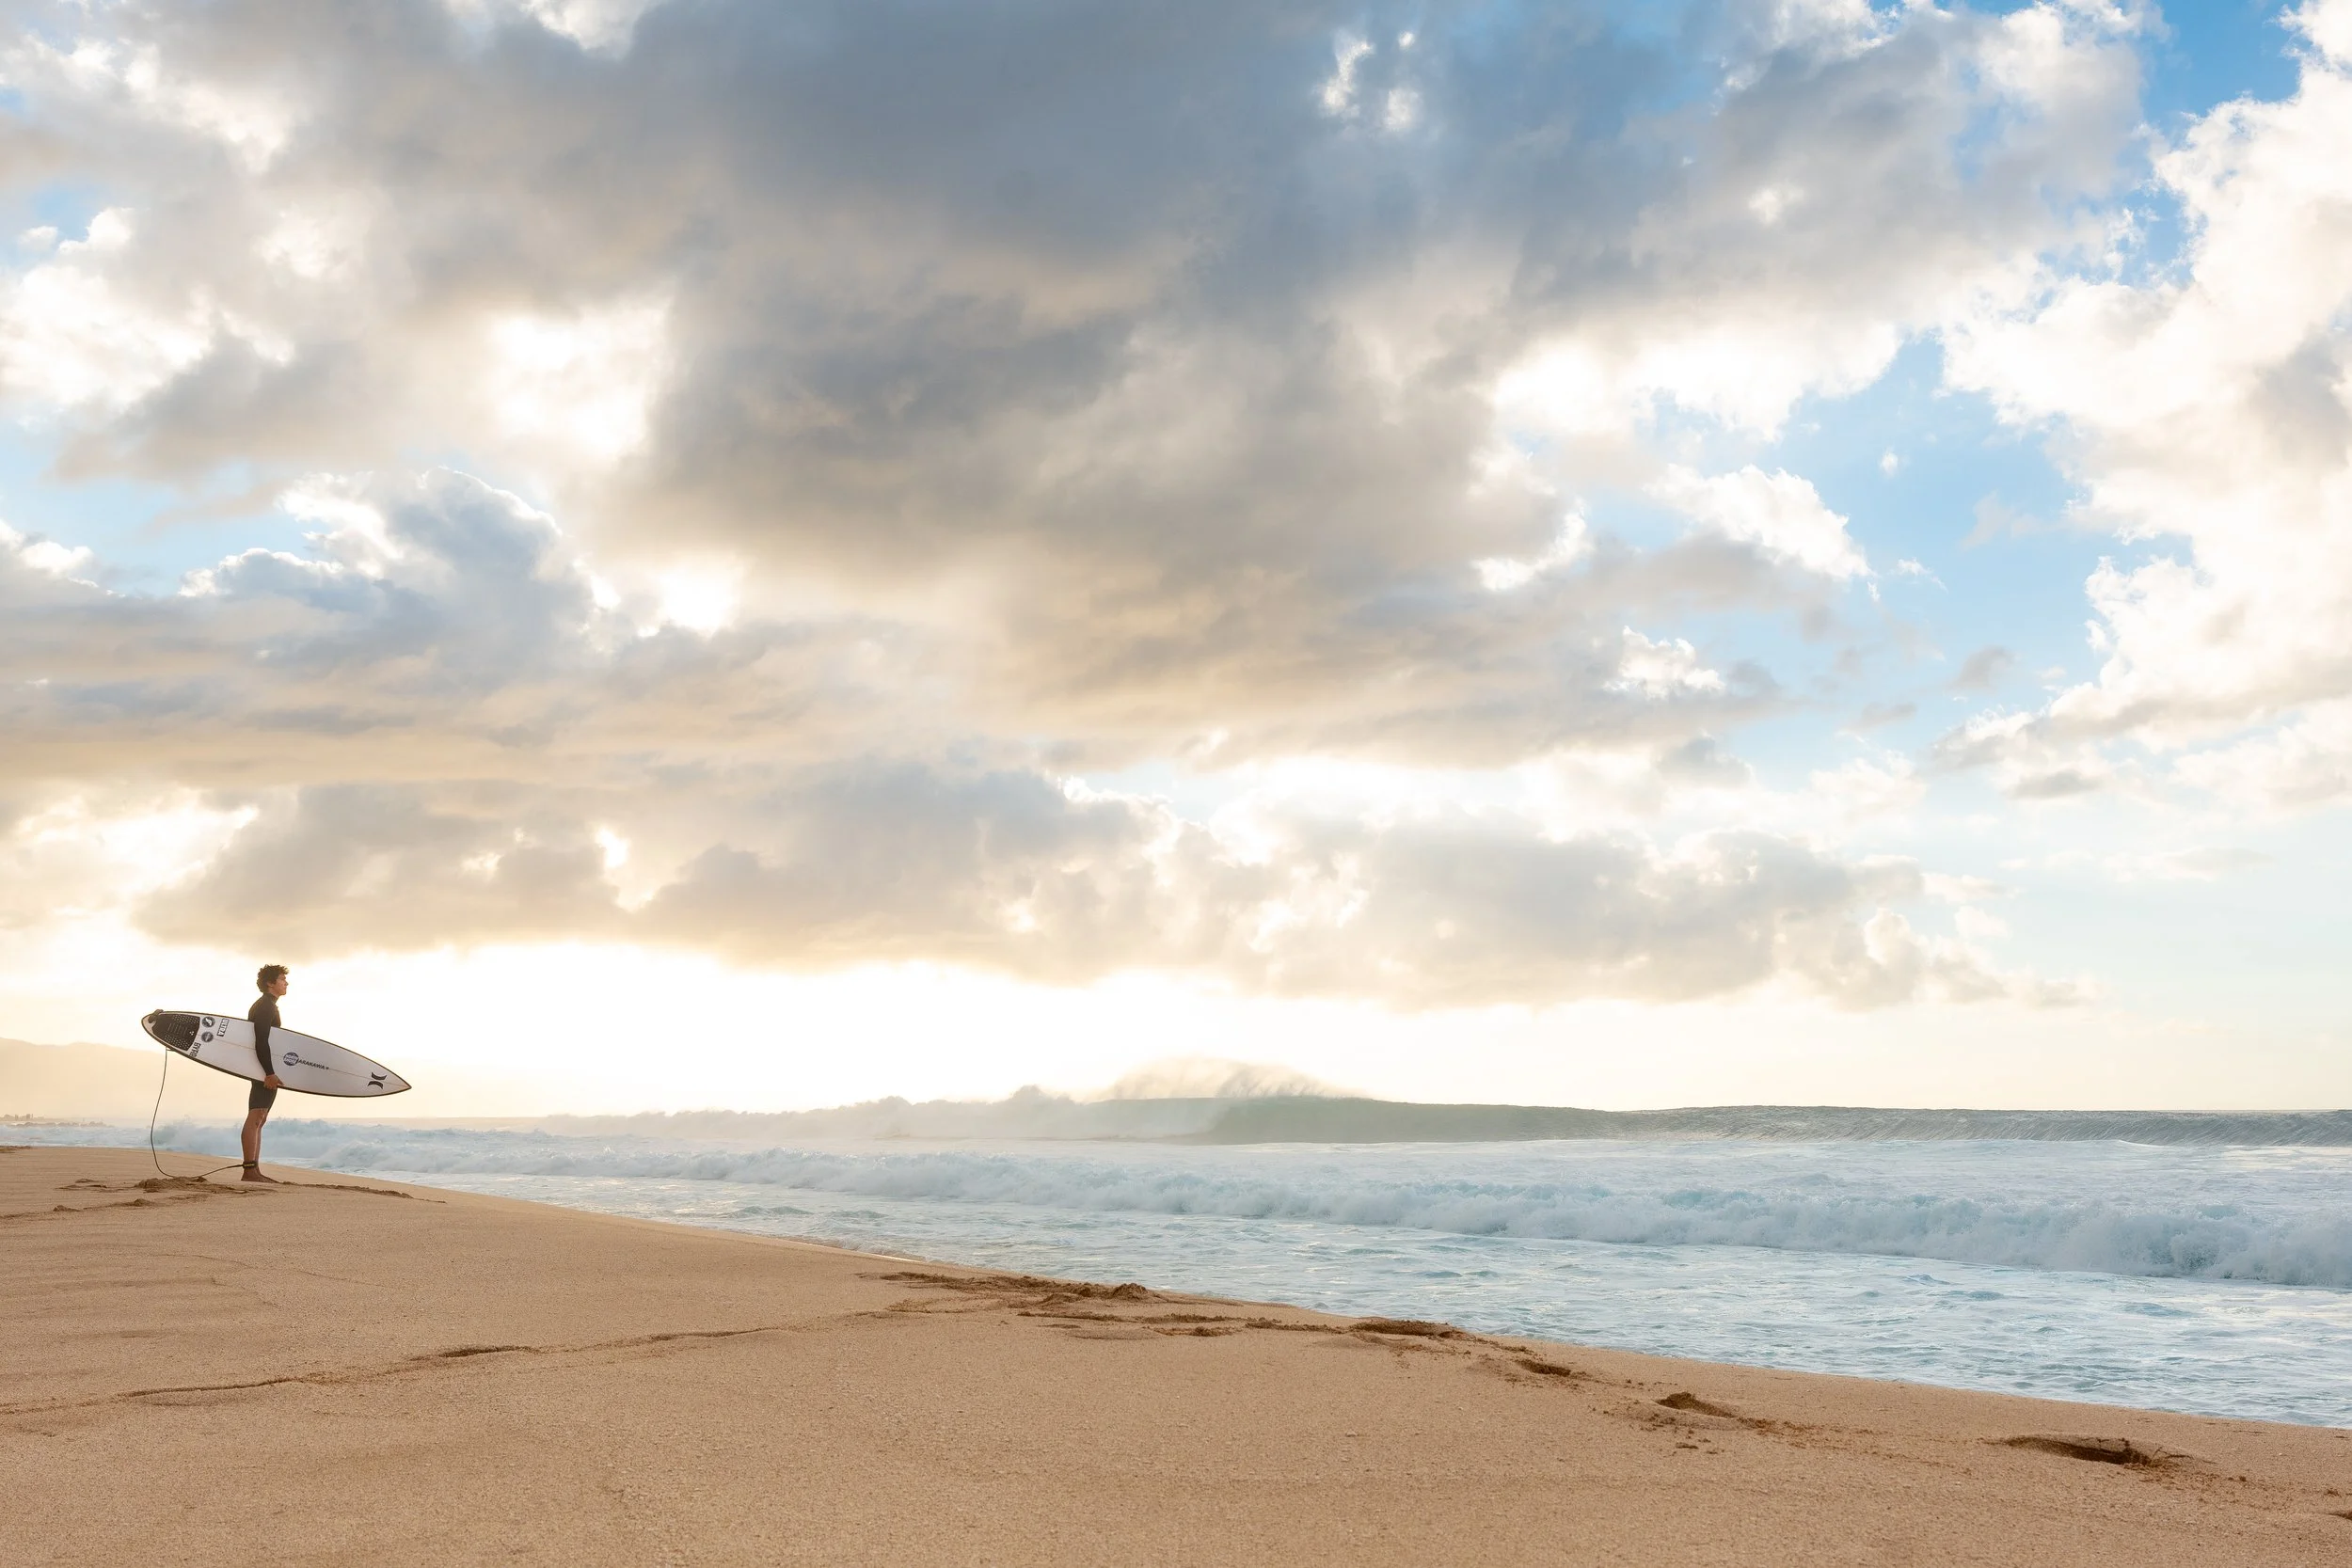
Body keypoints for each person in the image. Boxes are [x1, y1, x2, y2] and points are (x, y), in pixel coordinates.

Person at [242, 964, 290, 1183]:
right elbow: (261, 1041)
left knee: (260, 1118)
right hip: (263, 1068)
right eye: (282, 979)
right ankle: (249, 1170)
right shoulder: (265, 1007)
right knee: (256, 1117)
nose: (286, 983)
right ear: (270, 983)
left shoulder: (269, 1006)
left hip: (263, 1068)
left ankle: (254, 1169)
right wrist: (269, 1073)